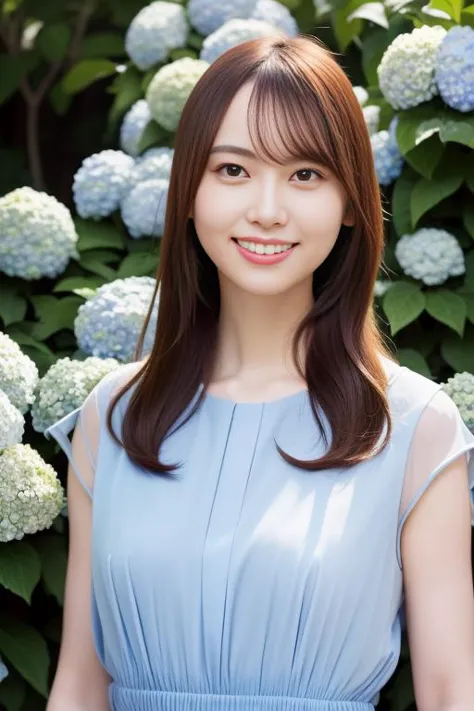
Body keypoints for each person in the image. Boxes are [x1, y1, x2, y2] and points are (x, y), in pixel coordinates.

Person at [45, 33, 474, 711]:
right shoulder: (114, 415)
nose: (267, 208)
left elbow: (454, 692)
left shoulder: (416, 427)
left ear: (351, 202)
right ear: (188, 190)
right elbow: (79, 681)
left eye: (305, 174)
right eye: (233, 170)